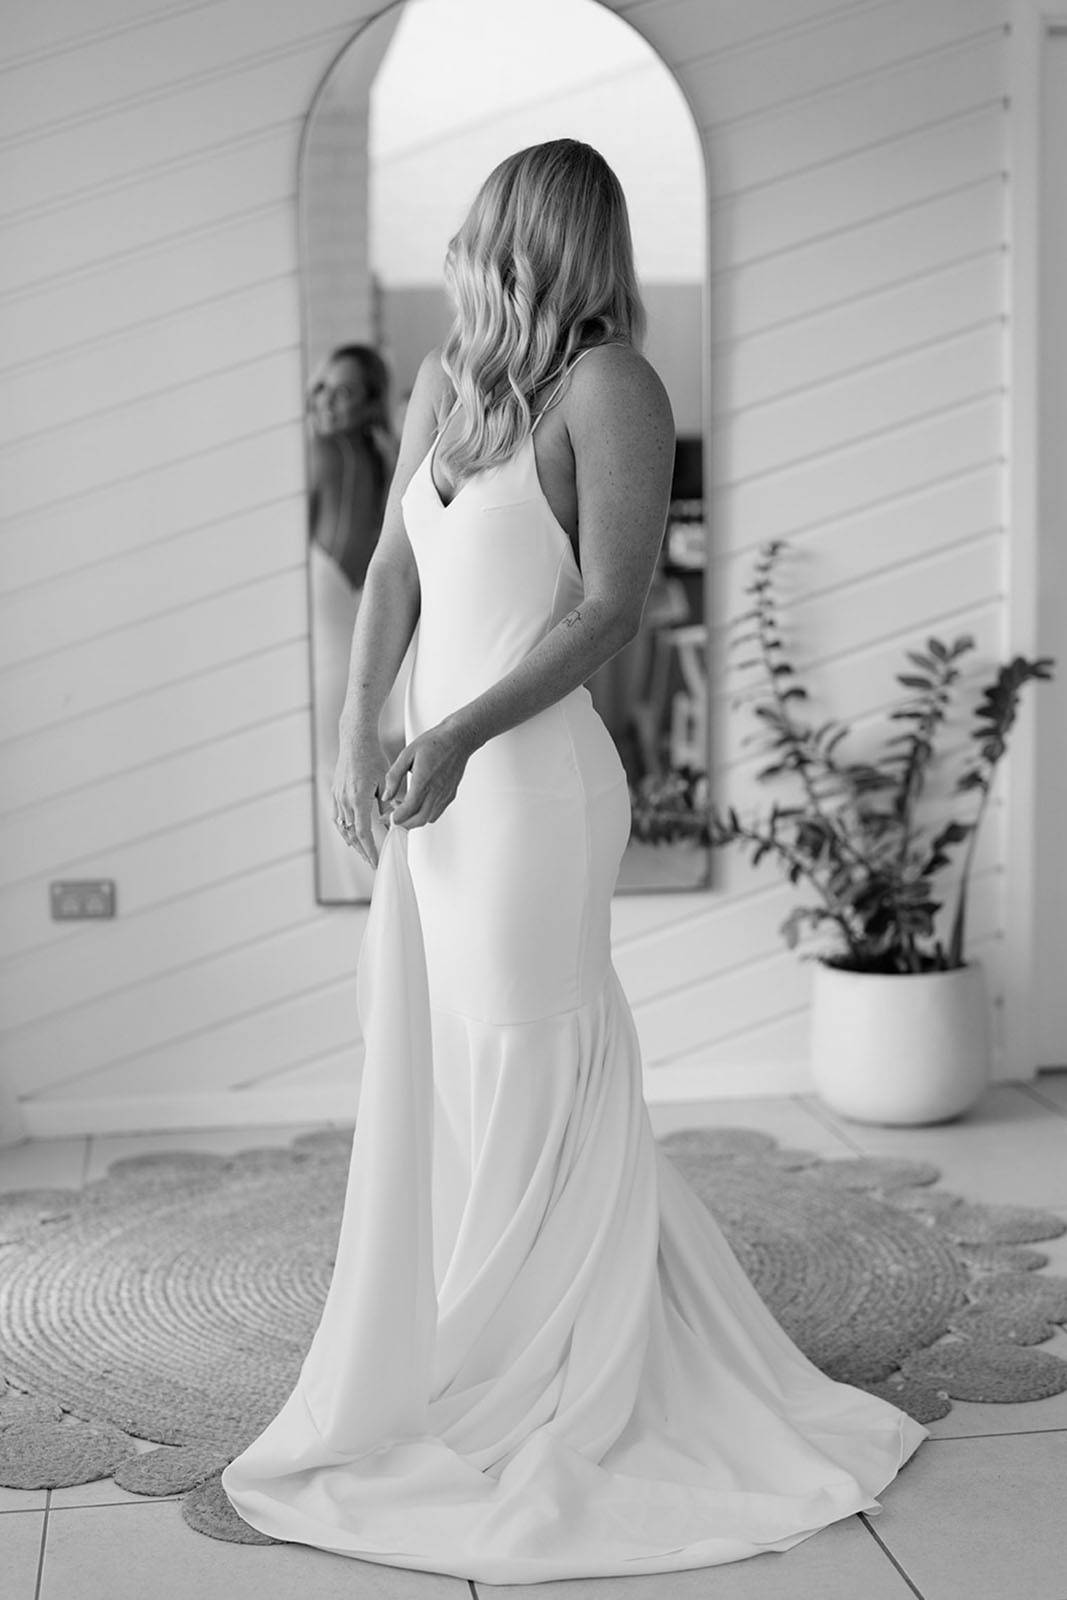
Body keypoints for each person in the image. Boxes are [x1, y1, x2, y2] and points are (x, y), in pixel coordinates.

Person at [221, 139, 928, 1584]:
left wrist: (462, 733)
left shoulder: (611, 387)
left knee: (528, 1047)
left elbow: (608, 608)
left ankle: (540, 1353)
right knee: (445, 1050)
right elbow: (394, 578)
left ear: (533, 236)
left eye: (489, 227)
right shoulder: (445, 383)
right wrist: (355, 728)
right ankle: (475, 1318)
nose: (471, 247)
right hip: (436, 786)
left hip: (530, 782)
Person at [305, 344, 408, 900]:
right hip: (377, 676)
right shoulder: (392, 466)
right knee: (361, 809)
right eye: (320, 387)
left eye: (342, 392)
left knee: (334, 806)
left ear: (368, 404)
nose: (324, 402)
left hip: (324, 683)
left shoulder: (322, 458)